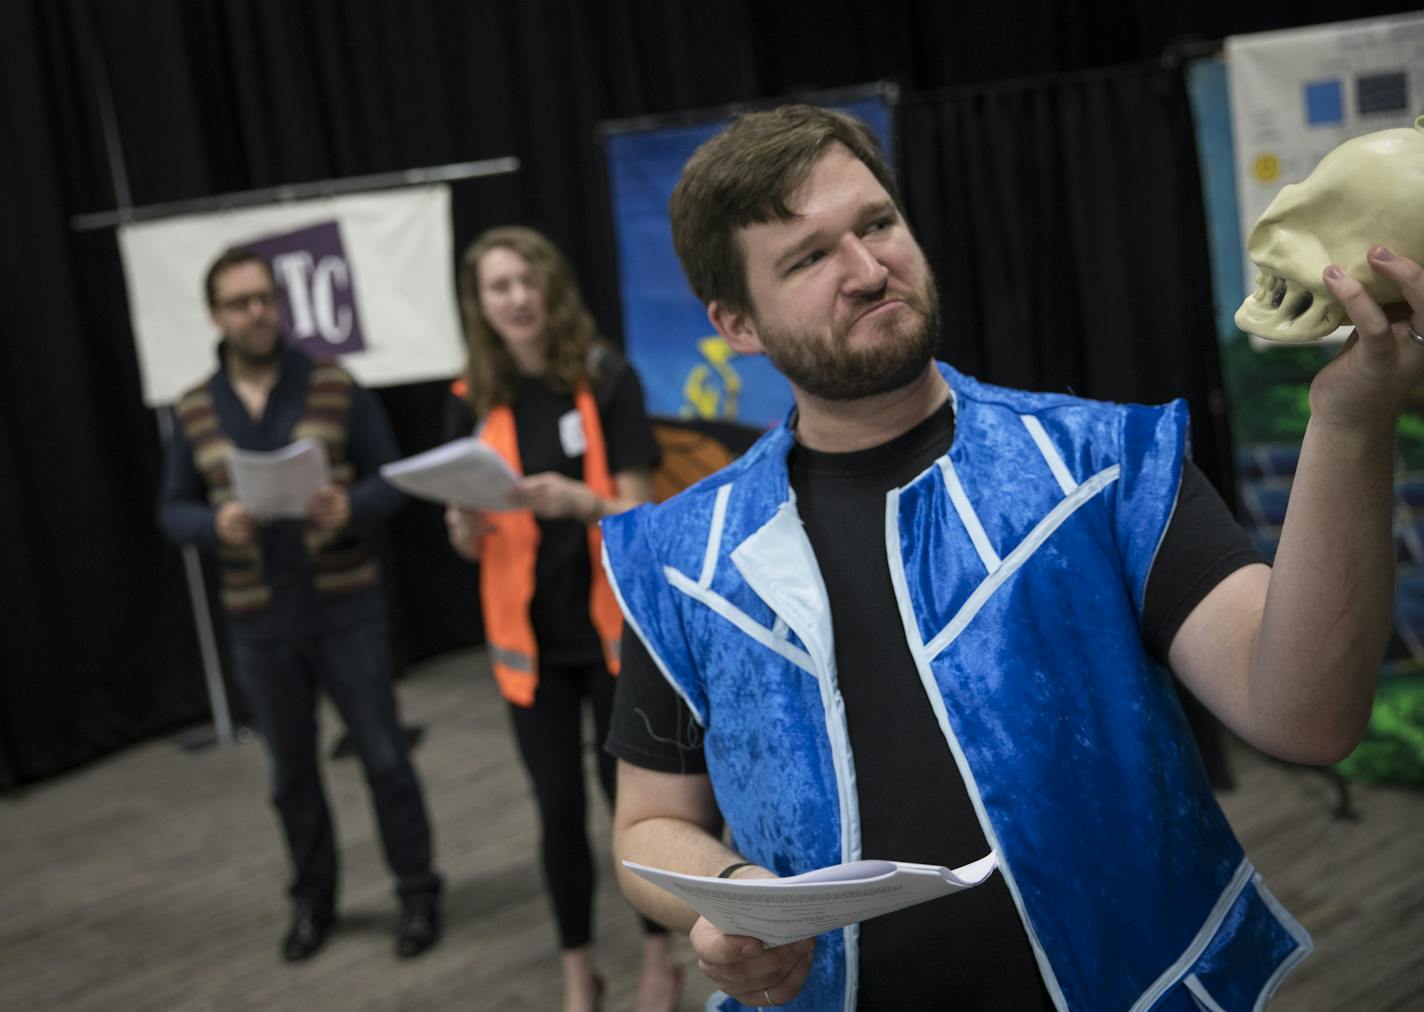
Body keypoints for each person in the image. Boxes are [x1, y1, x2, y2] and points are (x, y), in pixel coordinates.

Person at [602, 105, 1422, 1010]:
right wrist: (733, 901)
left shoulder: (1102, 466)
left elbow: (1307, 715)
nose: (869, 270)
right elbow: (647, 825)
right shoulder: (683, 557)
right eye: (808, 257)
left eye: (878, 224)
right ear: (738, 324)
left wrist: (1350, 423)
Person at [158, 249, 443, 962]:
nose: (256, 312)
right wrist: (210, 525)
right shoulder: (193, 406)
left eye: (264, 298)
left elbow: (394, 481)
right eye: (239, 302)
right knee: (290, 776)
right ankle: (314, 902)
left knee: (384, 759)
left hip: (348, 608)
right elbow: (170, 510)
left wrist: (348, 505)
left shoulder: (333, 383)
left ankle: (418, 893)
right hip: (259, 619)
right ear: (215, 315)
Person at [443, 225, 682, 1012]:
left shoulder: (608, 378)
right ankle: (579, 968)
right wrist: (462, 527)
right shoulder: (469, 398)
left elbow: (643, 515)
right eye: (496, 288)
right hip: (530, 647)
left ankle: (659, 959)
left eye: (524, 281)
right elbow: (464, 536)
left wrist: (586, 505)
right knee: (556, 810)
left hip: (613, 639)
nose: (514, 299)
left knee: (631, 810)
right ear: (479, 306)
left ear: (549, 286)